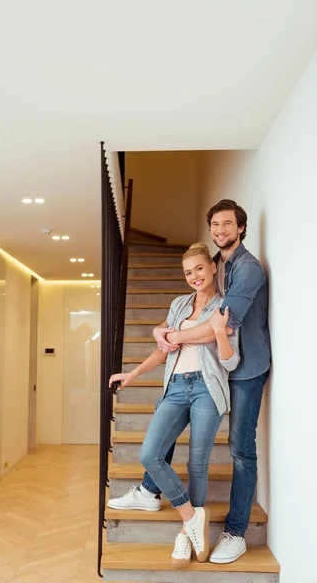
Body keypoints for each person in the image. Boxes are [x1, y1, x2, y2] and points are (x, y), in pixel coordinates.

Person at [108, 199, 271, 565]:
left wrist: (175, 336)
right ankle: (172, 505)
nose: (220, 230)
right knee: (154, 446)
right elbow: (167, 345)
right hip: (179, 382)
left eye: (227, 224)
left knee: (239, 451)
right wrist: (135, 370)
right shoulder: (199, 287)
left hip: (241, 372)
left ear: (241, 228)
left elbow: (225, 332)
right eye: (215, 224)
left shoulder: (244, 272)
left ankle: (233, 532)